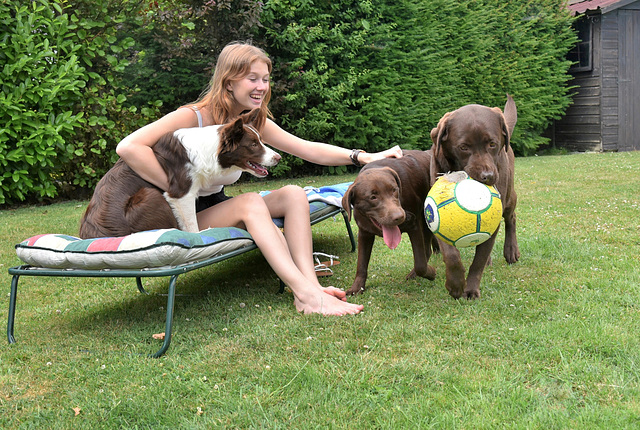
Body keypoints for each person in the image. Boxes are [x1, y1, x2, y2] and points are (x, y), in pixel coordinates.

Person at [116, 41, 403, 316]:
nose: (262, 87)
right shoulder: (194, 117)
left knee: (292, 193)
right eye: (253, 79)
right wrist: (180, 189)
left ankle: (311, 287)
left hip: (214, 205)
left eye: (265, 79)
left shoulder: (251, 121)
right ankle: (304, 294)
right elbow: (129, 147)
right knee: (250, 202)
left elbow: (307, 148)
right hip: (179, 213)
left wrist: (361, 156)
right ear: (229, 82)